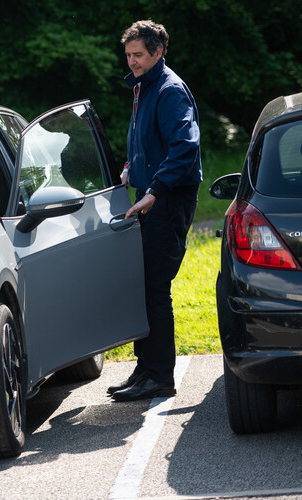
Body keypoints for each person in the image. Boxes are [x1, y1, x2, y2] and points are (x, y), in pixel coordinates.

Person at [109, 20, 202, 402]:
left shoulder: (169, 90)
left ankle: (160, 376)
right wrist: (134, 167)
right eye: (128, 55)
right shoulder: (144, 86)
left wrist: (154, 191)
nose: (131, 61)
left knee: (154, 287)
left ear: (158, 52)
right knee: (143, 286)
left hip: (167, 200)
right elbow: (151, 142)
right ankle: (146, 368)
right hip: (150, 196)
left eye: (138, 55)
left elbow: (184, 147)